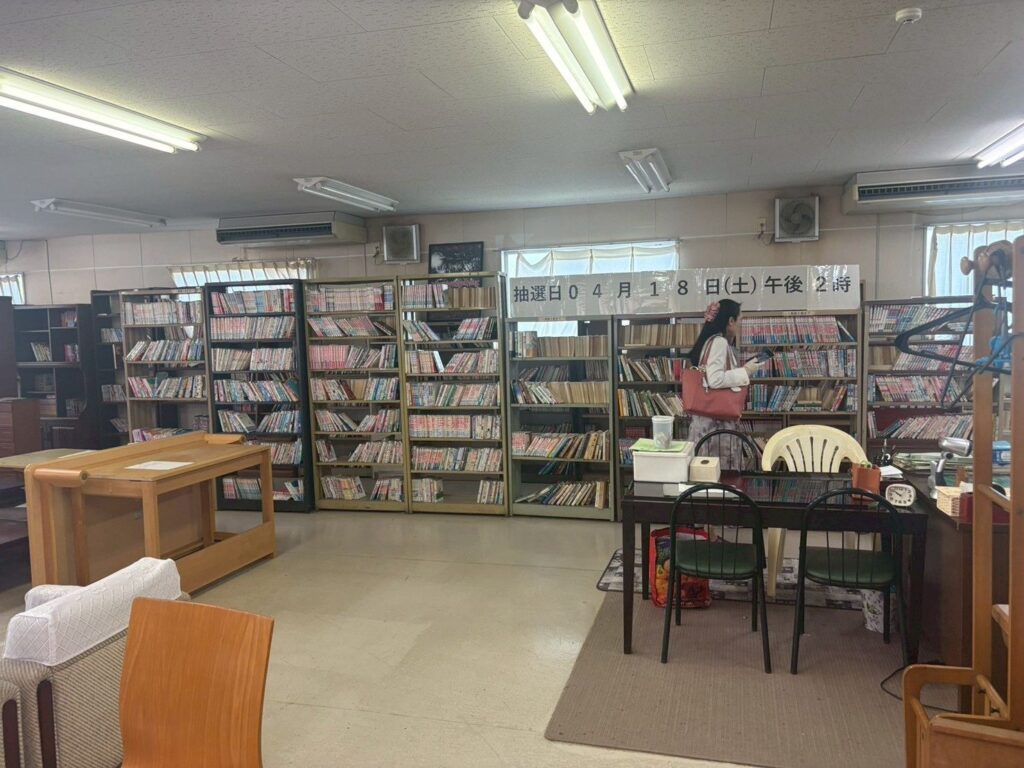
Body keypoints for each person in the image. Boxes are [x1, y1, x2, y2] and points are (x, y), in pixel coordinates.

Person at [685, 299, 762, 469]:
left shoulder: (707, 341)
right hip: (717, 425)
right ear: (730, 321)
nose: (740, 325)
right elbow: (715, 379)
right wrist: (745, 371)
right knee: (720, 474)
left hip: (705, 423)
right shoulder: (719, 342)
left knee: (703, 474)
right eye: (739, 320)